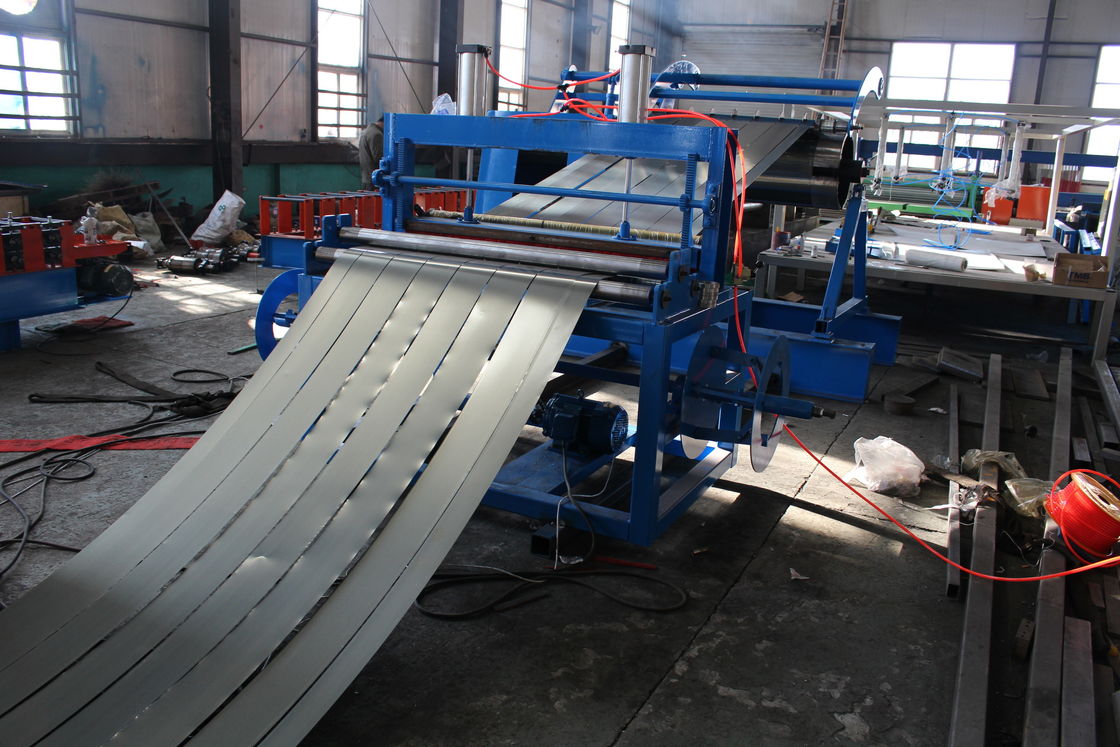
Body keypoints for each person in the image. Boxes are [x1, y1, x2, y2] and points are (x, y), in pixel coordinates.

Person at [358, 116, 384, 190]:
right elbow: (378, 157)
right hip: (375, 178)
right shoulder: (377, 134)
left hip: (367, 177)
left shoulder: (365, 131)